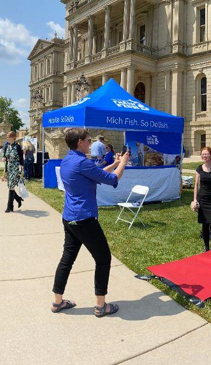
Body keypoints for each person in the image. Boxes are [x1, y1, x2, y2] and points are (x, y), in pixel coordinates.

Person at [52, 128, 128, 317]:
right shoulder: (82, 162)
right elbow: (112, 179)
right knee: (103, 259)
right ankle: (101, 305)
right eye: (88, 140)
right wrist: (124, 163)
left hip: (69, 218)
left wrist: (115, 162)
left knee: (67, 260)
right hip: (84, 219)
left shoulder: (68, 160)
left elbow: (97, 173)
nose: (91, 143)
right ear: (79, 142)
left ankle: (57, 302)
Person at [192, 147, 211, 251]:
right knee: (204, 224)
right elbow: (196, 185)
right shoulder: (199, 168)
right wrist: (195, 200)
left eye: (206, 154)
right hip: (202, 199)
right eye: (202, 154)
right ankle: (206, 247)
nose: (204, 156)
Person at [2, 131, 25, 212]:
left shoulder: (17, 147)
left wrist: (21, 167)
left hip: (15, 167)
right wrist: (4, 157)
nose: (8, 139)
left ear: (13, 138)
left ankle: (9, 206)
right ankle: (18, 199)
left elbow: (21, 158)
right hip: (9, 167)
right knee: (9, 185)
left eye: (9, 137)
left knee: (11, 186)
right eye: (7, 137)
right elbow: (5, 155)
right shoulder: (8, 146)